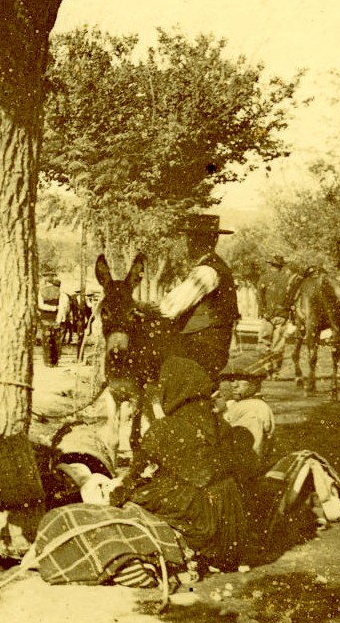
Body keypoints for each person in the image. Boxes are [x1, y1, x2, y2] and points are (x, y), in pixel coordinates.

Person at [109, 356, 261, 569]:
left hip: (202, 527)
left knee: (141, 496)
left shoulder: (165, 427)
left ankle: (189, 547)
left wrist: (119, 493)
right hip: (230, 536)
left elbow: (135, 472)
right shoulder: (219, 423)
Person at [157, 214, 240, 389]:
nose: (189, 243)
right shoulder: (216, 267)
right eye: (190, 237)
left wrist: (142, 307)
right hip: (211, 347)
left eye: (194, 237)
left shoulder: (207, 271)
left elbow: (169, 308)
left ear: (210, 240)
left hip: (201, 349)